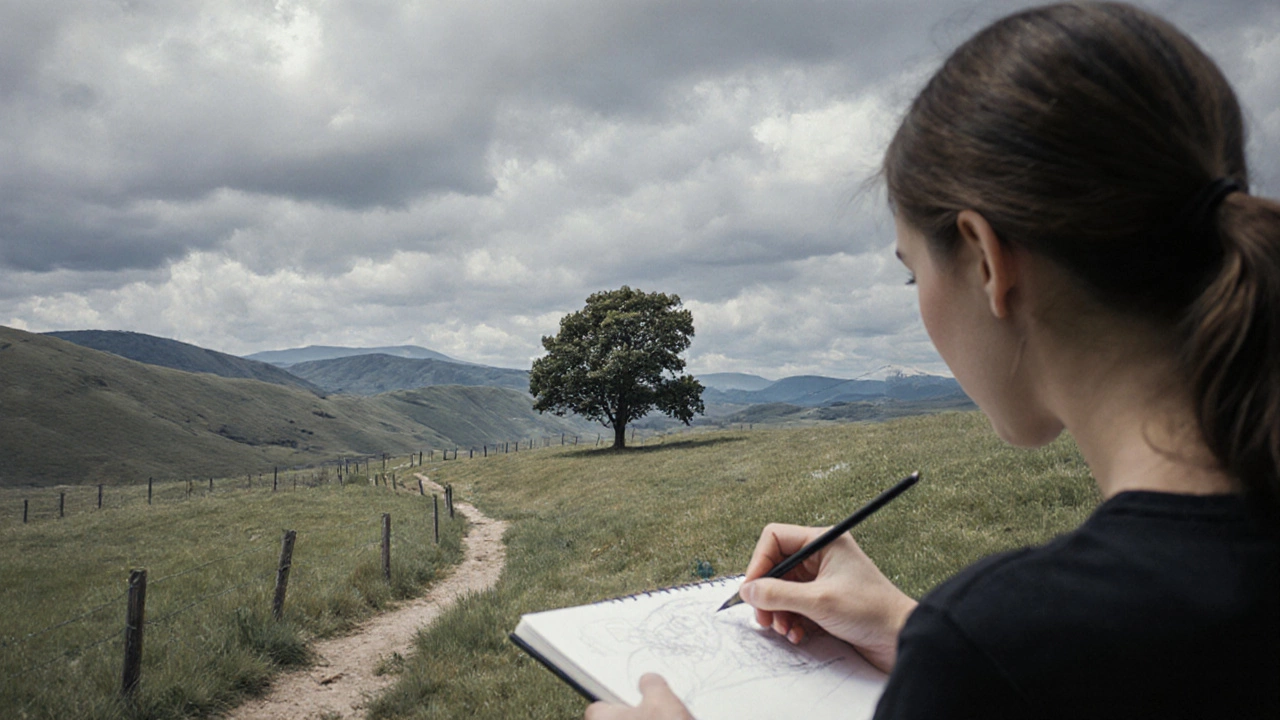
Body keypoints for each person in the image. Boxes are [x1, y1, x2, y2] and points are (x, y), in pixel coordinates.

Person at [584, 2, 1280, 718]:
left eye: (914, 274)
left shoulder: (1007, 641)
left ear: (985, 259)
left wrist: (963, 654)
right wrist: (915, 632)